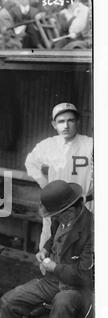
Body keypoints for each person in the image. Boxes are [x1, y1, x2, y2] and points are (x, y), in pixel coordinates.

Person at [0, 180, 93, 318]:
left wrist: (55, 267)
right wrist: (45, 250)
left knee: (62, 303)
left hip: (75, 288)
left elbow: (84, 276)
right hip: (51, 281)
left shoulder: (92, 230)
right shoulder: (61, 219)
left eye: (55, 215)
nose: (53, 219)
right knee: (9, 301)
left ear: (69, 212)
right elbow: (53, 239)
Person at [25, 102, 93, 249]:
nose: (66, 125)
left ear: (78, 122)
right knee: (51, 245)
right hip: (57, 206)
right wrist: (46, 186)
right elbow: (30, 163)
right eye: (61, 121)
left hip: (84, 205)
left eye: (71, 120)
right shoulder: (48, 145)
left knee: (81, 251)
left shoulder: (90, 144)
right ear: (54, 124)